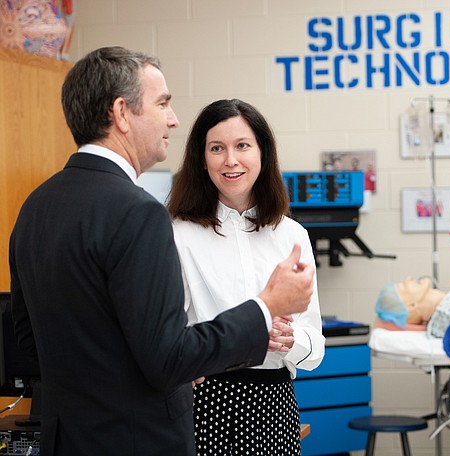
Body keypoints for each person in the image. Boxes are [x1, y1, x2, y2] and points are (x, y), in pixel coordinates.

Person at [8, 47, 314, 456]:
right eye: (163, 103)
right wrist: (266, 306)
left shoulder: (35, 206)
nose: (172, 119)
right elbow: (167, 358)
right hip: (136, 438)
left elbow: (29, 341)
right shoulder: (139, 213)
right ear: (121, 113)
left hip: (69, 438)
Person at [167, 99, 325, 455]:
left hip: (277, 405)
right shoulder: (177, 235)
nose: (231, 160)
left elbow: (315, 349)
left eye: (242, 146)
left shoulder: (293, 235)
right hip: (208, 406)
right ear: (201, 158)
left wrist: (292, 339)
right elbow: (168, 337)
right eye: (217, 148)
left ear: (262, 153)